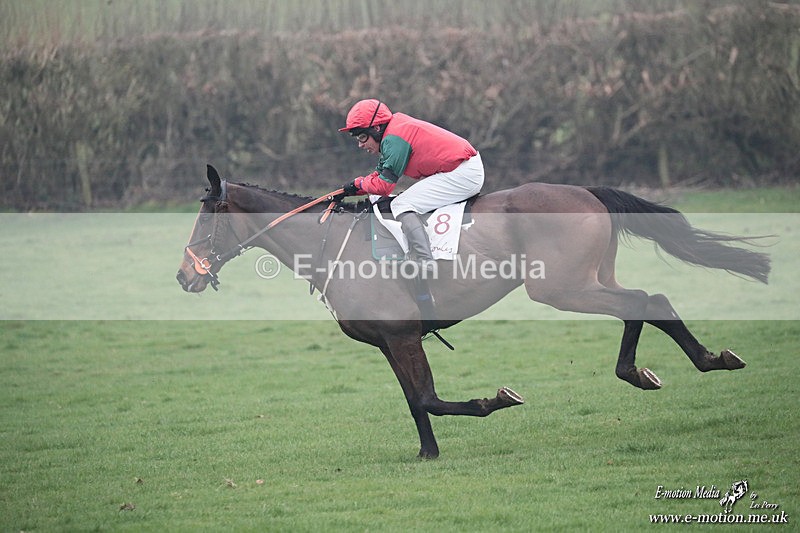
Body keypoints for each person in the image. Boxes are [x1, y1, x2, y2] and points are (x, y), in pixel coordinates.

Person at [336, 99, 485, 321]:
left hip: (463, 173)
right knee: (389, 200)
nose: (360, 144)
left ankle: (424, 261)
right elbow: (378, 178)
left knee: (401, 204)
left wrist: (357, 184)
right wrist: (352, 189)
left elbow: (384, 186)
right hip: (455, 170)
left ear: (376, 128)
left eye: (361, 136)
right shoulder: (391, 134)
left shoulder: (394, 139)